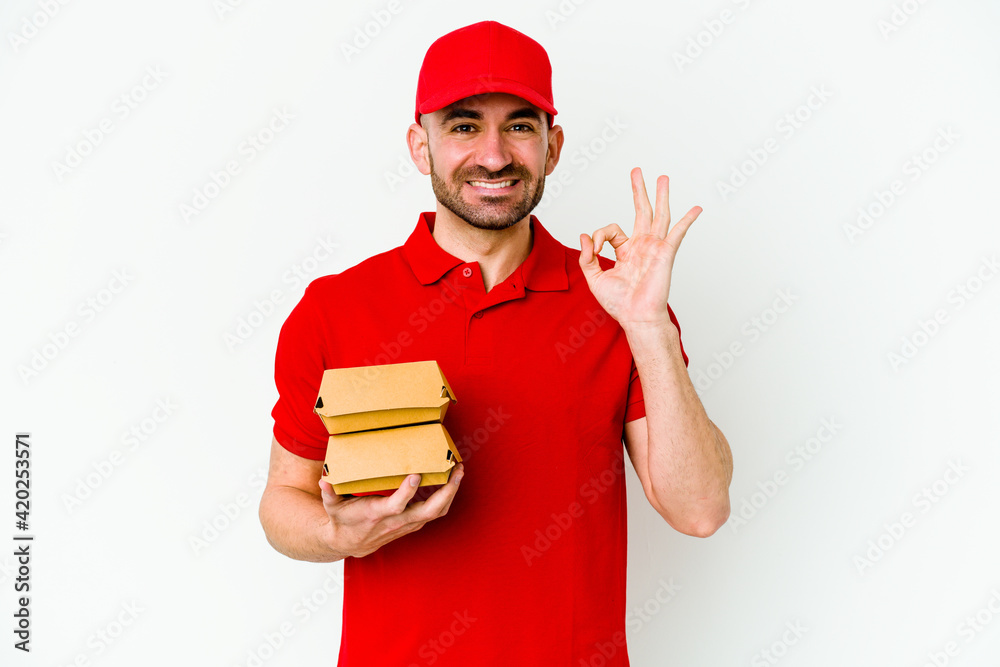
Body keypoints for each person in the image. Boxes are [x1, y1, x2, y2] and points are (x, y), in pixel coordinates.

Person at [259, 19, 733, 666]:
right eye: (462, 125)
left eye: (519, 125)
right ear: (419, 146)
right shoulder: (335, 308)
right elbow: (283, 501)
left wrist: (648, 327)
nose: (493, 154)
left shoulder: (616, 301)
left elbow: (700, 507)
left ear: (553, 145)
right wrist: (338, 529)